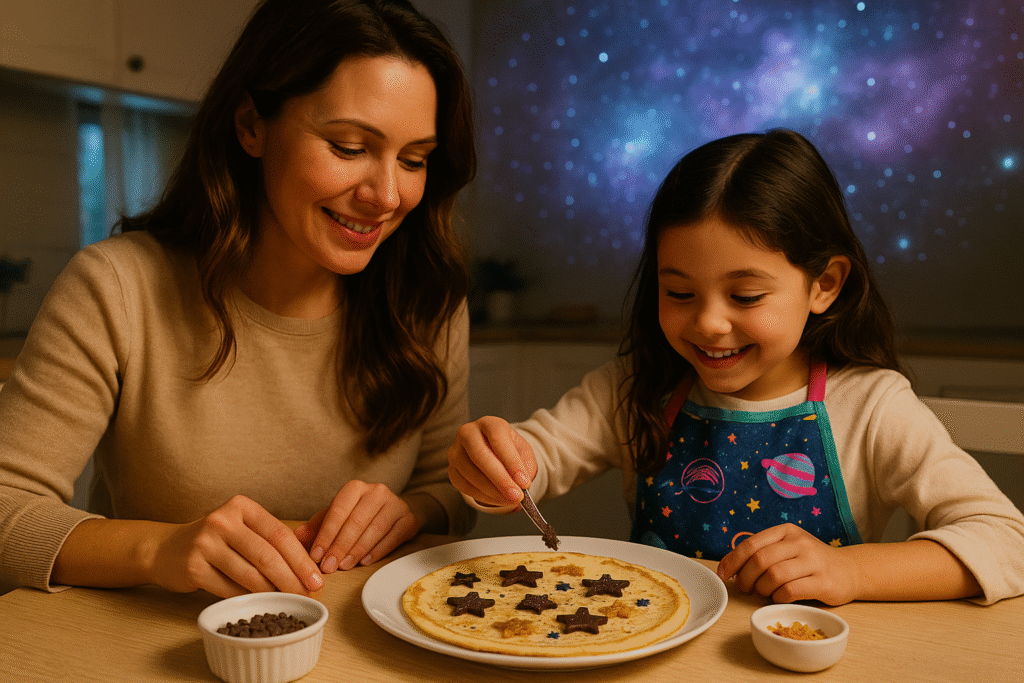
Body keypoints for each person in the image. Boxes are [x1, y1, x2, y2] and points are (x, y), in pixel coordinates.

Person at [0, 0, 477, 598]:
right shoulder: (117, 287)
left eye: (414, 160)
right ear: (252, 125)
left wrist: (416, 510)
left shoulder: (426, 301)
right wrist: (159, 549)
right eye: (350, 147)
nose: (386, 195)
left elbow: (448, 489)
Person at [448, 129, 1024, 605]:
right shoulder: (633, 387)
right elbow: (535, 460)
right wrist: (494, 466)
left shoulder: (872, 407)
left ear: (823, 284)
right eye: (678, 293)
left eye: (746, 297)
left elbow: (1006, 541)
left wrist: (848, 572)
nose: (709, 325)